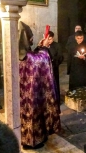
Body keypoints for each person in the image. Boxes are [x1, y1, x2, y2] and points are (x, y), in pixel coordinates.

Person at [18, 21, 61, 149]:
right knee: (32, 116)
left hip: (23, 95)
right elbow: (40, 59)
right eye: (30, 37)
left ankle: (26, 139)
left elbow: (33, 55)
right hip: (31, 95)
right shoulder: (27, 56)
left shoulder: (21, 52)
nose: (32, 39)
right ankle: (32, 141)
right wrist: (45, 47)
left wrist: (39, 47)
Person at [39, 31, 64, 105]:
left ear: (53, 38)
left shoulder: (57, 46)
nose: (49, 41)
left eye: (50, 39)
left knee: (55, 84)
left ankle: (56, 101)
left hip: (53, 68)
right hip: (45, 71)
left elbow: (60, 57)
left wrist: (53, 60)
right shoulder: (42, 46)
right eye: (48, 39)